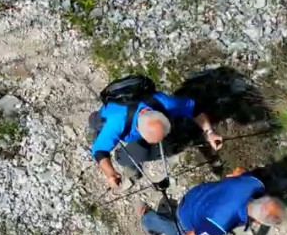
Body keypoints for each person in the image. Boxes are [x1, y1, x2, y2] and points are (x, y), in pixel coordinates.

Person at [139, 168, 287, 235]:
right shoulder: (221, 223)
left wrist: (233, 180)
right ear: (259, 220)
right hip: (187, 215)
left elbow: (239, 171)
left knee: (198, 221)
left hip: (199, 194)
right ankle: (148, 218)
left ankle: (168, 210)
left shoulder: (255, 183)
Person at [91, 76, 223, 188]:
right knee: (97, 126)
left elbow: (195, 109)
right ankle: (121, 157)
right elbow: (99, 150)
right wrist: (110, 173)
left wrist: (209, 132)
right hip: (108, 116)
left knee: (145, 150)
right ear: (138, 130)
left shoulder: (165, 102)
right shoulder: (117, 123)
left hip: (128, 118)